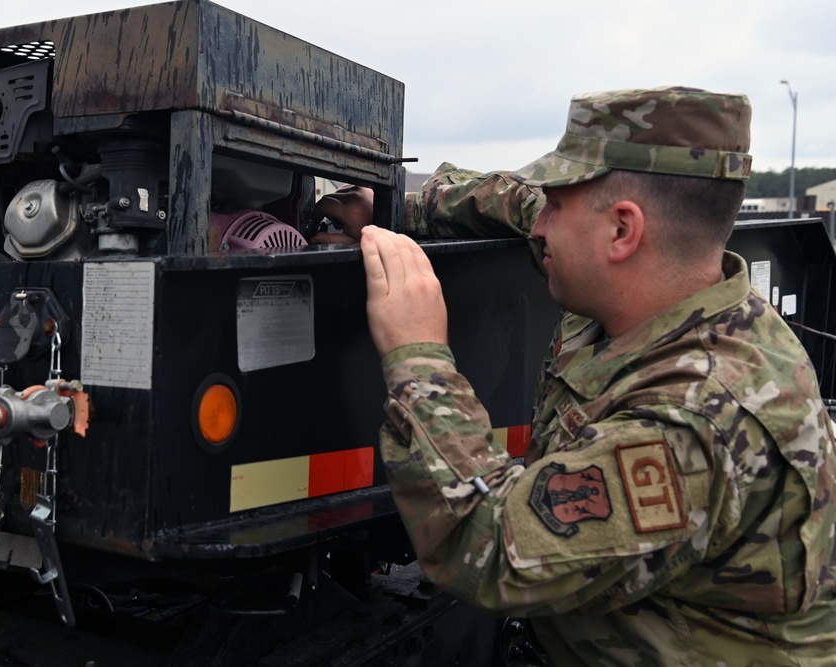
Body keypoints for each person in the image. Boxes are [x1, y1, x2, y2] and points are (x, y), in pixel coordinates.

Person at [318, 87, 836, 665]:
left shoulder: (697, 424)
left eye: (558, 207)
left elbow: (487, 547)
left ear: (622, 232)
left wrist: (417, 357)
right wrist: (394, 208)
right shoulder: (670, 289)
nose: (540, 228)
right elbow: (517, 204)